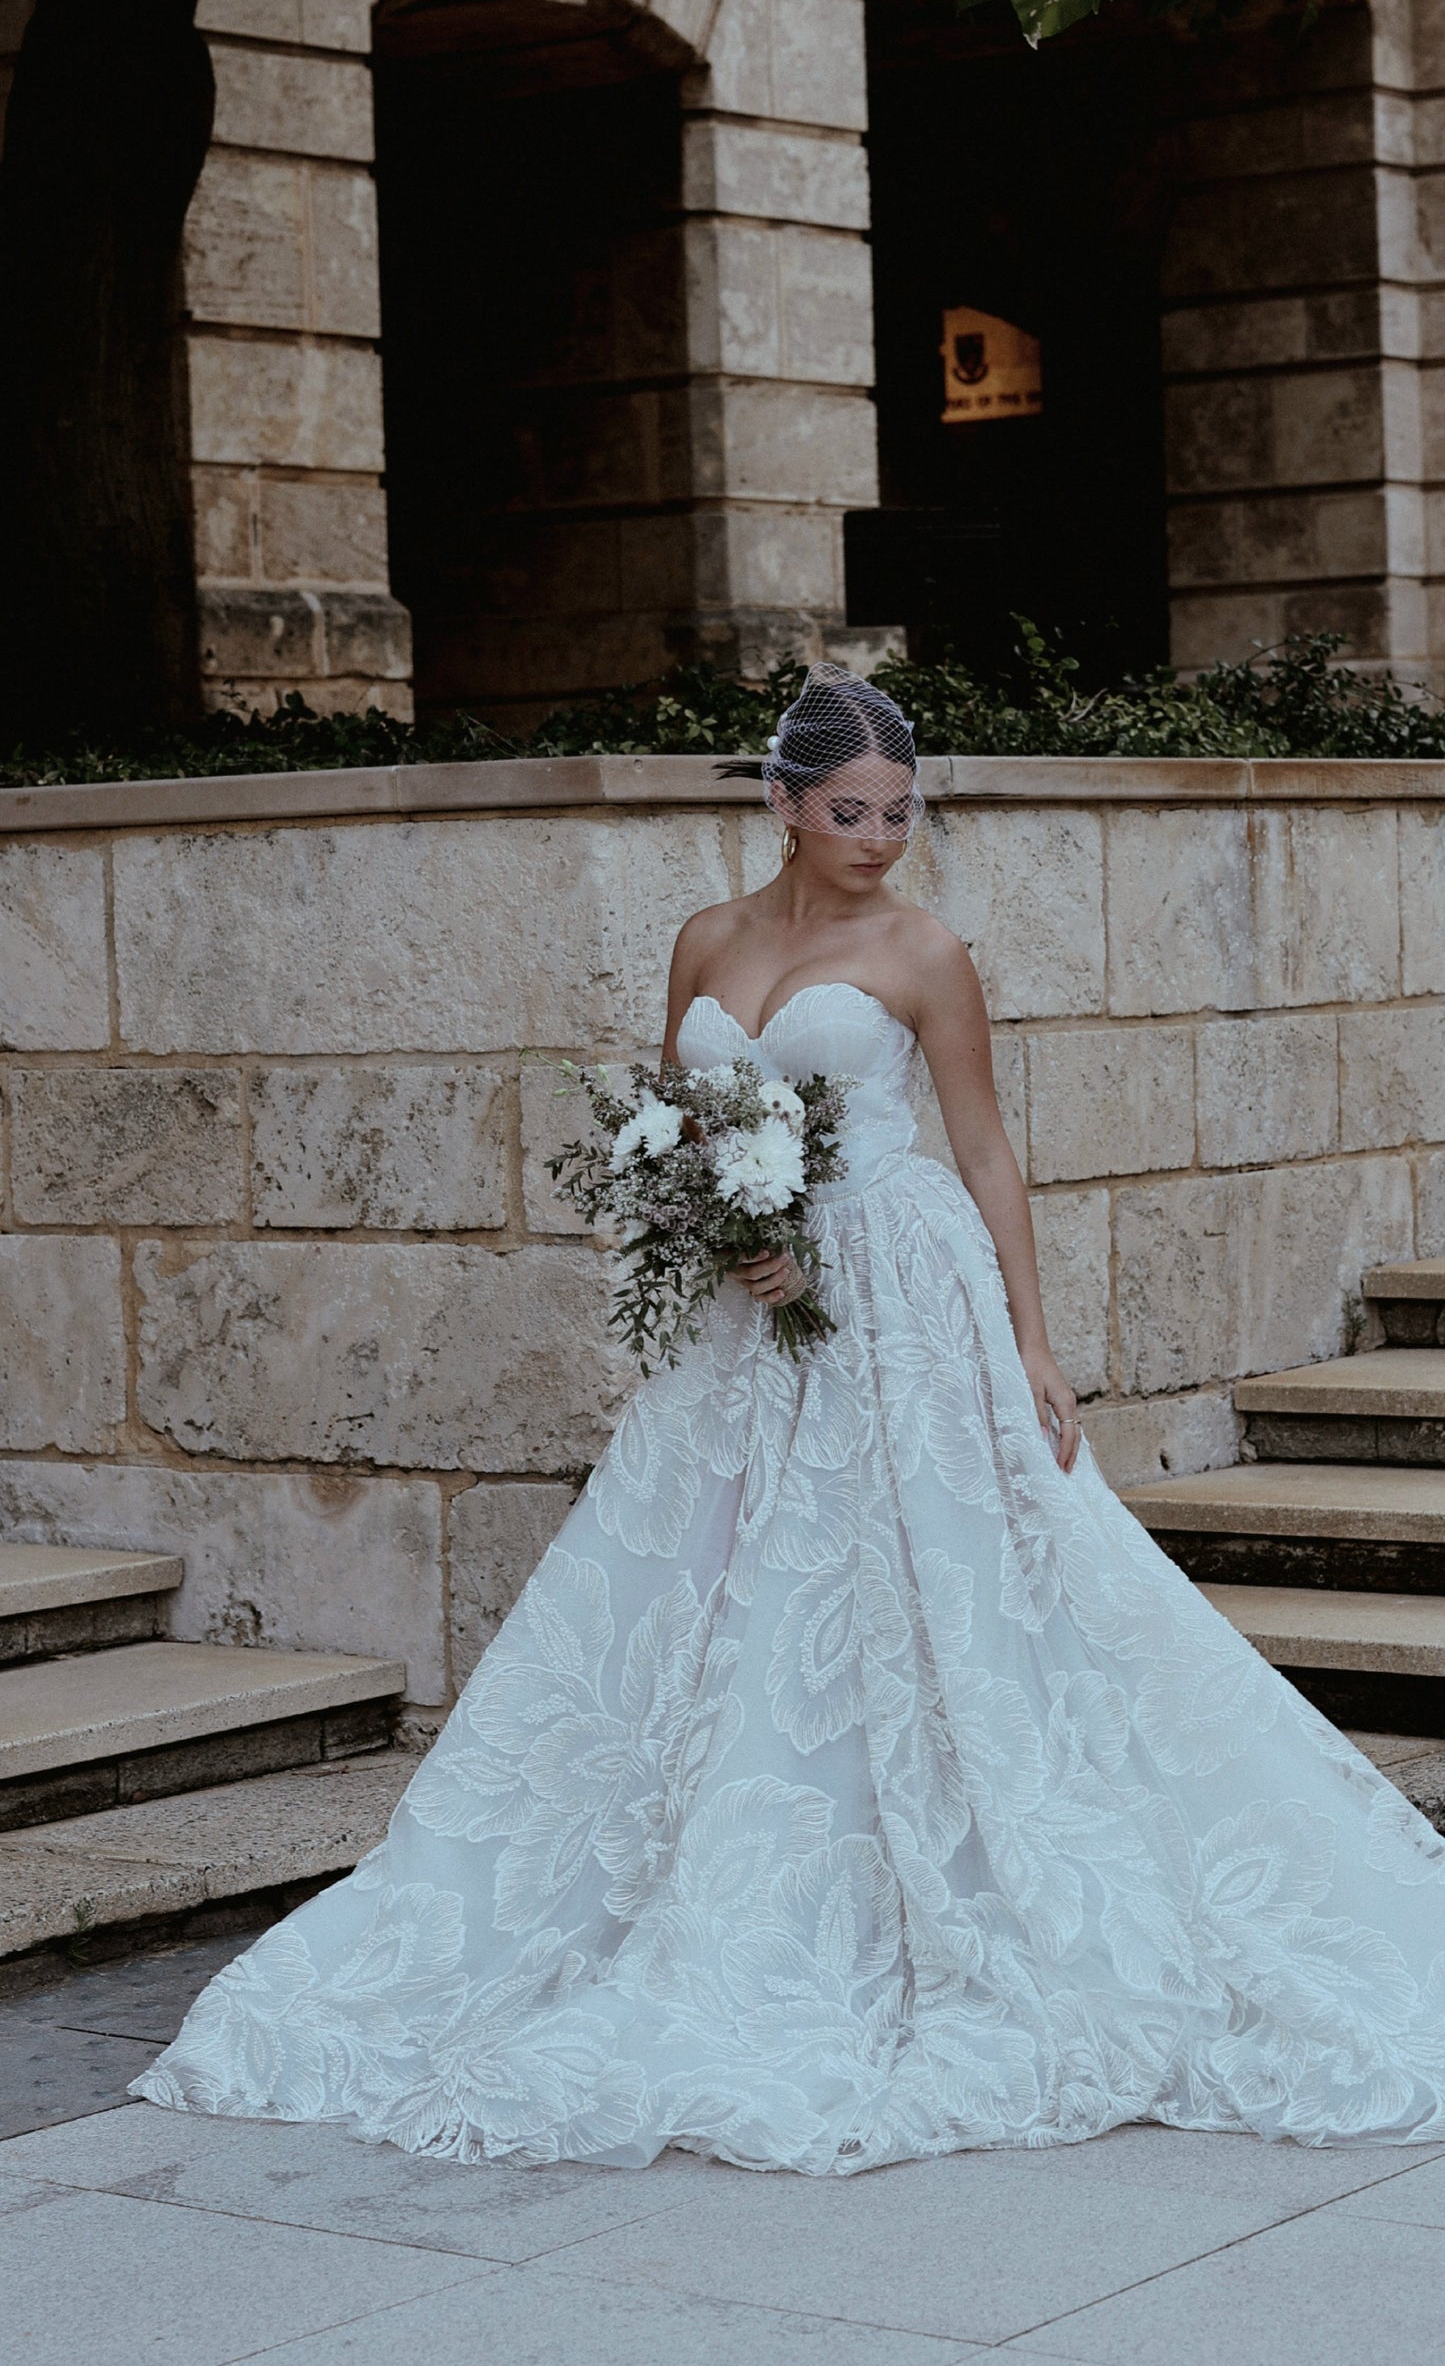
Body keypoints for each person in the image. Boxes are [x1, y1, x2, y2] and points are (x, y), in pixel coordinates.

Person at [134, 663, 1445, 2171]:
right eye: (849, 811)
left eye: (898, 811)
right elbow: (681, 1125)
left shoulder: (925, 951)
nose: (880, 837)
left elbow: (986, 1149)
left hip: (894, 1293)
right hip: (736, 1320)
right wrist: (714, 1230)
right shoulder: (703, 938)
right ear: (781, 802)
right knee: (704, 1586)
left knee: (925, 1592)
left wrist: (1031, 1340)